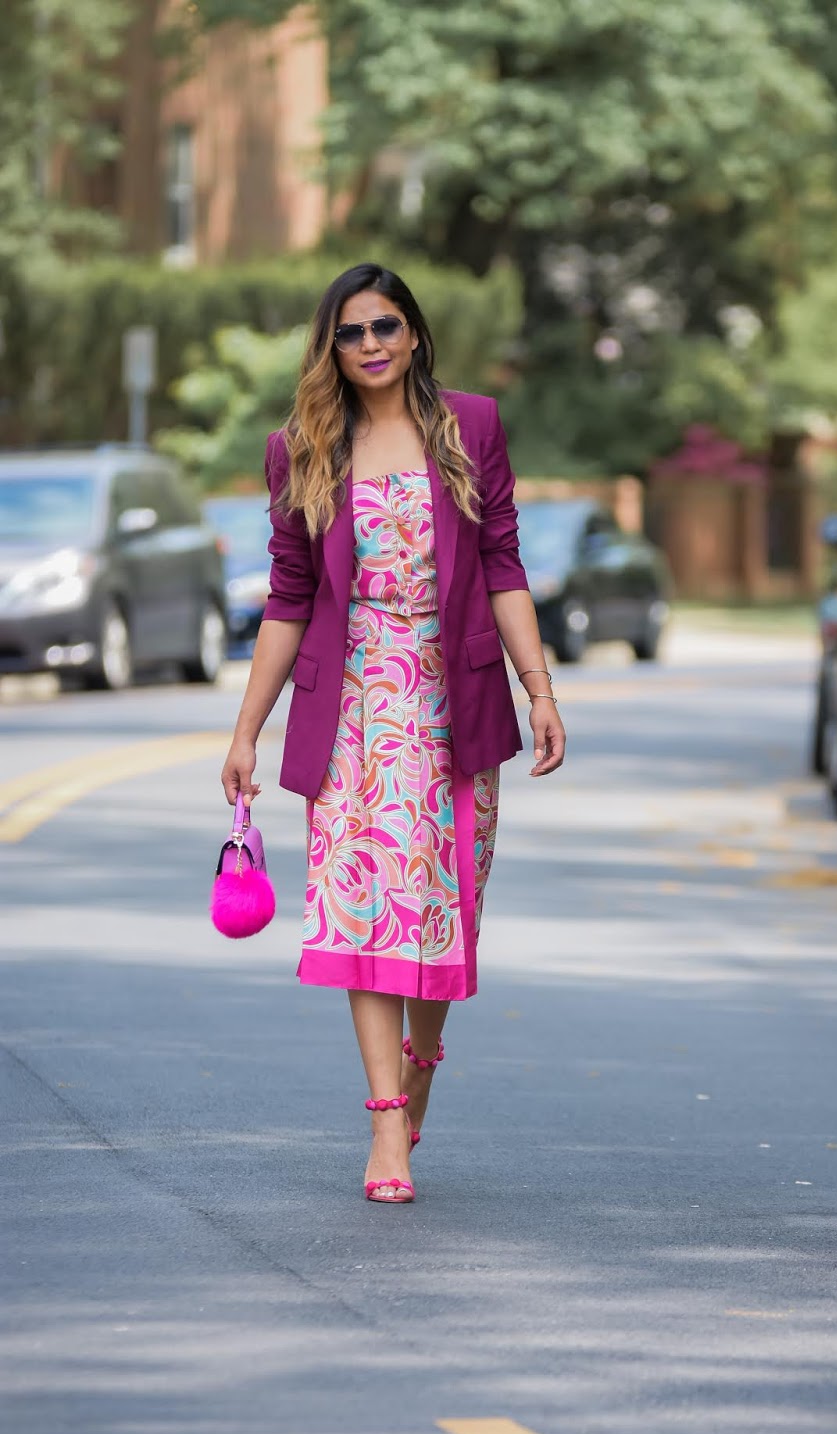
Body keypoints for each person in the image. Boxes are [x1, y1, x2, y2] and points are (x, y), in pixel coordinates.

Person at [221, 263, 566, 1204]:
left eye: (385, 326)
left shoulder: (471, 426)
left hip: (455, 704)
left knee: (447, 908)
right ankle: (385, 1128)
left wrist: (538, 689)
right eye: (351, 332)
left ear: (413, 334)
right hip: (352, 716)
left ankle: (423, 1061)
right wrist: (248, 729)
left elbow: (502, 564)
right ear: (329, 347)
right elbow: (289, 598)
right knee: (363, 908)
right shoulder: (301, 449)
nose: (370, 345)